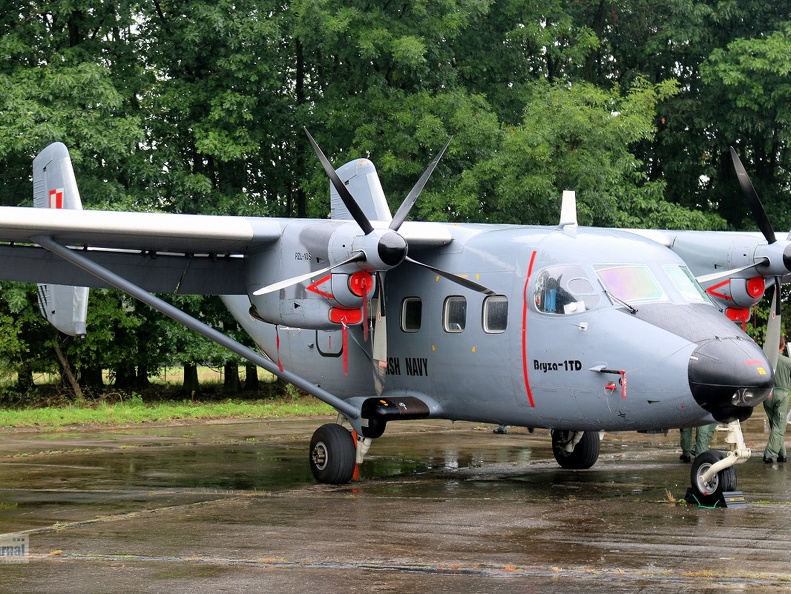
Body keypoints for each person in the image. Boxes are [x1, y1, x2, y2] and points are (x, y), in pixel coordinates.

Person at [763, 335, 791, 463]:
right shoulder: (787, 362)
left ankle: (782, 453)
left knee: (774, 425)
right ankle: (769, 454)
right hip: (782, 395)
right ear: (783, 346)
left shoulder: (766, 360)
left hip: (767, 395)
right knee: (779, 426)